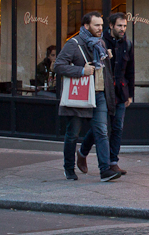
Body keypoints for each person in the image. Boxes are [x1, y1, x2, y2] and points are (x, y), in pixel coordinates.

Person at [53, 12, 120, 182]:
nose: (100, 28)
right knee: (73, 134)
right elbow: (58, 66)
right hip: (80, 96)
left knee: (102, 132)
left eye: (101, 24)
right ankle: (69, 168)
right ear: (86, 26)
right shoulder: (74, 44)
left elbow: (105, 73)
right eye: (96, 25)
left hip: (99, 94)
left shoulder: (101, 43)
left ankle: (105, 170)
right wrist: (81, 70)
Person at [78, 14, 134, 175]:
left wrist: (130, 94)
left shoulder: (128, 45)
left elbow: (130, 71)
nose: (122, 29)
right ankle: (83, 153)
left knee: (117, 127)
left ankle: (113, 162)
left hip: (120, 92)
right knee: (101, 127)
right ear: (111, 26)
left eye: (124, 26)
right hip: (104, 91)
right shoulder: (100, 43)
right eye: (119, 26)